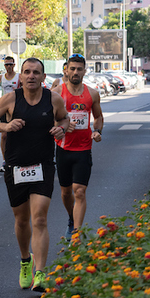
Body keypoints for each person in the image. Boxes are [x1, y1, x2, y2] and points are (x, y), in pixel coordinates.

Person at [0, 57, 70, 294]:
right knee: (21, 220)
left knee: (39, 217)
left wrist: (61, 128)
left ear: (43, 77)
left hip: (43, 165)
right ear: (20, 77)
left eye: (36, 72)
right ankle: (25, 260)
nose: (31, 76)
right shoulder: (11, 99)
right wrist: (5, 126)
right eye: (27, 72)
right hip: (16, 167)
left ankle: (41, 272)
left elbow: (64, 118)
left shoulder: (53, 99)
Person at [55, 54, 103, 240]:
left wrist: (98, 131)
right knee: (66, 192)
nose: (75, 72)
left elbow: (98, 117)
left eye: (79, 69)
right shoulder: (57, 92)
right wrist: (62, 126)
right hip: (63, 149)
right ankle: (70, 217)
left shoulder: (92, 94)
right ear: (66, 69)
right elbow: (49, 118)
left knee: (80, 191)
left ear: (85, 71)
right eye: (72, 68)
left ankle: (76, 232)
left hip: (83, 149)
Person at [0, 55, 21, 173]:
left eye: (11, 64)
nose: (8, 67)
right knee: (4, 135)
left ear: (14, 65)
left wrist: (20, 93)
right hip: (5, 108)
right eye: (6, 64)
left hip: (16, 107)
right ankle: (5, 161)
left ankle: (18, 158)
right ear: (4, 66)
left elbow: (26, 88)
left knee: (18, 134)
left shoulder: (19, 77)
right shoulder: (1, 77)